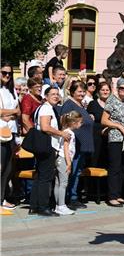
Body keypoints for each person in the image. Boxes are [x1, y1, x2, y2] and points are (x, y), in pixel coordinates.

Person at [30, 86, 72, 217]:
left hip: (43, 145)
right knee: (45, 177)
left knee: (40, 175)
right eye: (52, 94)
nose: (56, 96)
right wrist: (61, 134)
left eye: (57, 94)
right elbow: (45, 127)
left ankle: (35, 206)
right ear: (46, 96)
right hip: (46, 145)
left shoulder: (46, 108)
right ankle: (43, 207)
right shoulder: (46, 108)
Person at [61, 80, 95, 209]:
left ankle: (73, 195)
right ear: (72, 92)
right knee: (72, 171)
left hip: (82, 145)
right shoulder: (69, 104)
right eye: (79, 91)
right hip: (74, 145)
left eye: (83, 91)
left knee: (77, 171)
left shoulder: (80, 105)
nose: (82, 94)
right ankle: (70, 197)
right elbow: (64, 122)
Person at [101, 78, 124, 207]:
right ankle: (112, 196)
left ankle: (119, 194)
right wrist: (119, 126)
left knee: (123, 167)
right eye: (122, 88)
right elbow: (104, 120)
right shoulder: (112, 100)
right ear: (118, 88)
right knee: (115, 166)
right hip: (115, 137)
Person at [53, 111, 83, 216]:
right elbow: (66, 148)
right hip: (64, 160)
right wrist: (69, 162)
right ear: (74, 122)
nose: (81, 124)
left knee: (58, 183)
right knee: (63, 183)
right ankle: (61, 205)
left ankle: (58, 205)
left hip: (60, 159)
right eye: (80, 122)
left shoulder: (65, 131)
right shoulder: (69, 133)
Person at [1, 62, 20, 211]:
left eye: (9, 73)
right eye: (4, 72)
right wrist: (11, 112)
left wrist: (9, 113)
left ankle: (3, 198)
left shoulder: (11, 90)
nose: (7, 75)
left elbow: (18, 111)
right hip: (1, 131)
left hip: (11, 131)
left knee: (8, 169)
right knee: (1, 167)